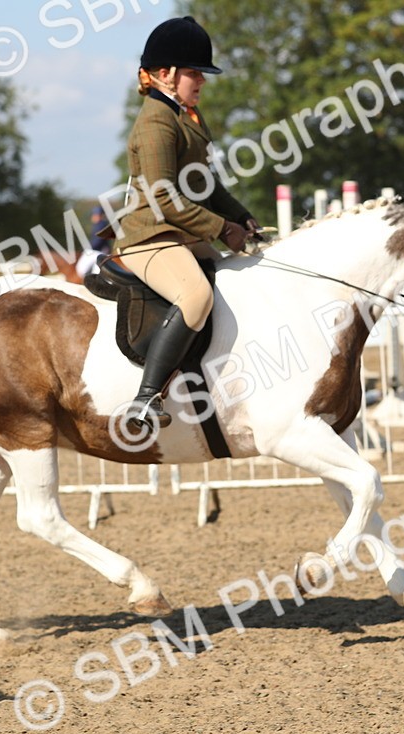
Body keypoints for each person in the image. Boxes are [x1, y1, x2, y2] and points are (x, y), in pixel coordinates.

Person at [109, 16, 260, 433]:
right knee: (195, 295)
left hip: (183, 236)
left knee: (243, 282)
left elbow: (207, 185)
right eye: (195, 72)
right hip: (150, 237)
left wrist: (240, 216)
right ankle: (146, 398)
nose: (202, 81)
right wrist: (220, 228)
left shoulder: (187, 117)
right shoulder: (156, 121)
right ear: (164, 75)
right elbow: (162, 198)